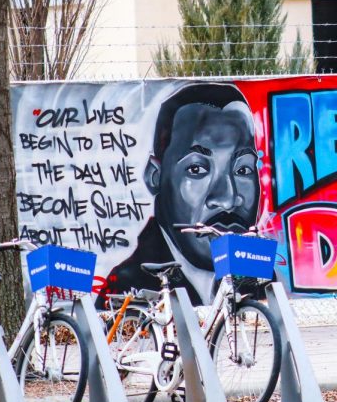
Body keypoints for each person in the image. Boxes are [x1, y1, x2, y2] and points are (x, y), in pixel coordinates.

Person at [96, 82, 260, 307]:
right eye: (197, 169)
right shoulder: (127, 287)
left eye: (243, 170)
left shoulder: (261, 277)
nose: (228, 199)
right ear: (155, 176)